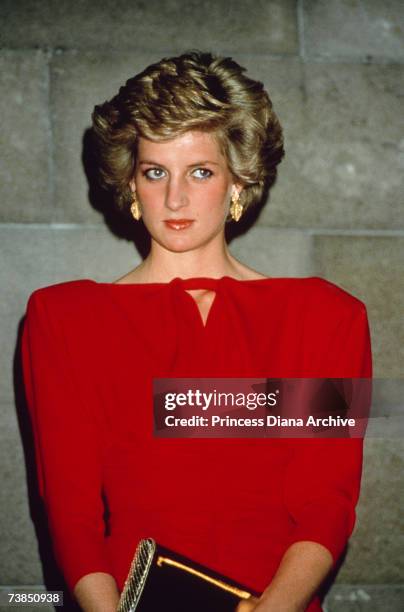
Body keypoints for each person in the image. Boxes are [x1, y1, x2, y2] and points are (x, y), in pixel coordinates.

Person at [21, 51, 372, 612]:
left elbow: (326, 501)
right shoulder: (65, 319)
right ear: (131, 183)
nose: (175, 198)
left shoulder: (325, 317)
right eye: (155, 171)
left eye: (200, 171)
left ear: (238, 180)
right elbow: (70, 509)